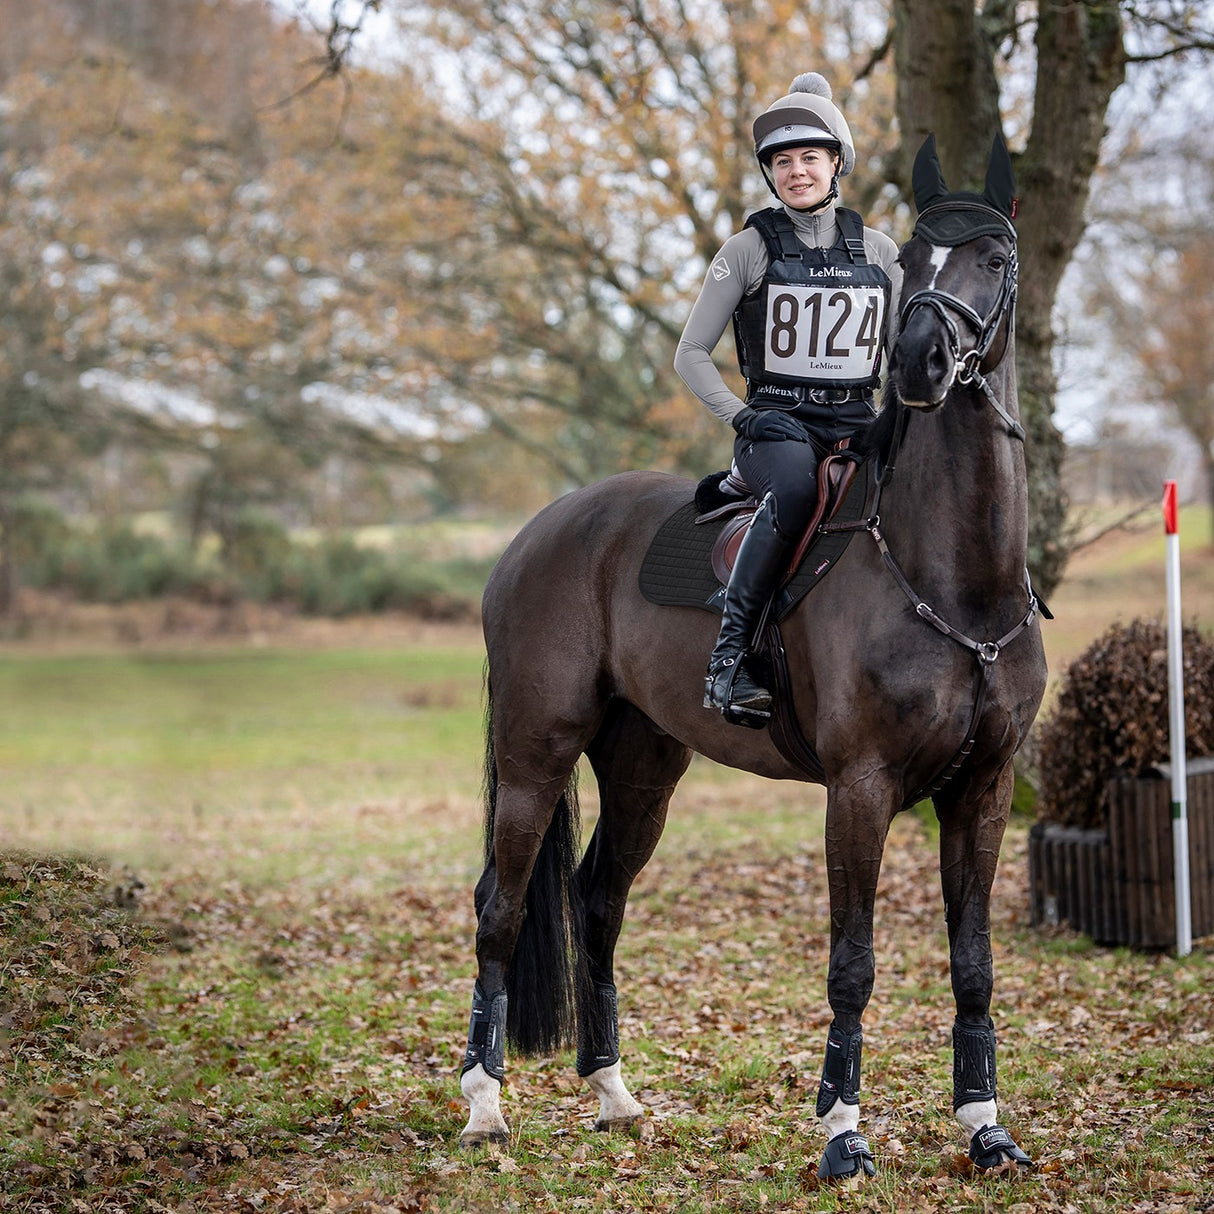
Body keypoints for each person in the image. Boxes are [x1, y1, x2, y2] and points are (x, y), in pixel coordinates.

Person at [674, 72, 902, 728]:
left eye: (809, 157)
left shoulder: (881, 252)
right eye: (782, 162)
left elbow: (901, 360)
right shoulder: (746, 249)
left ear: (837, 164)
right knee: (798, 493)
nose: (796, 171)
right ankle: (727, 662)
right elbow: (690, 353)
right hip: (778, 429)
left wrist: (895, 421)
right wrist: (742, 414)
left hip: (858, 422)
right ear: (770, 175)